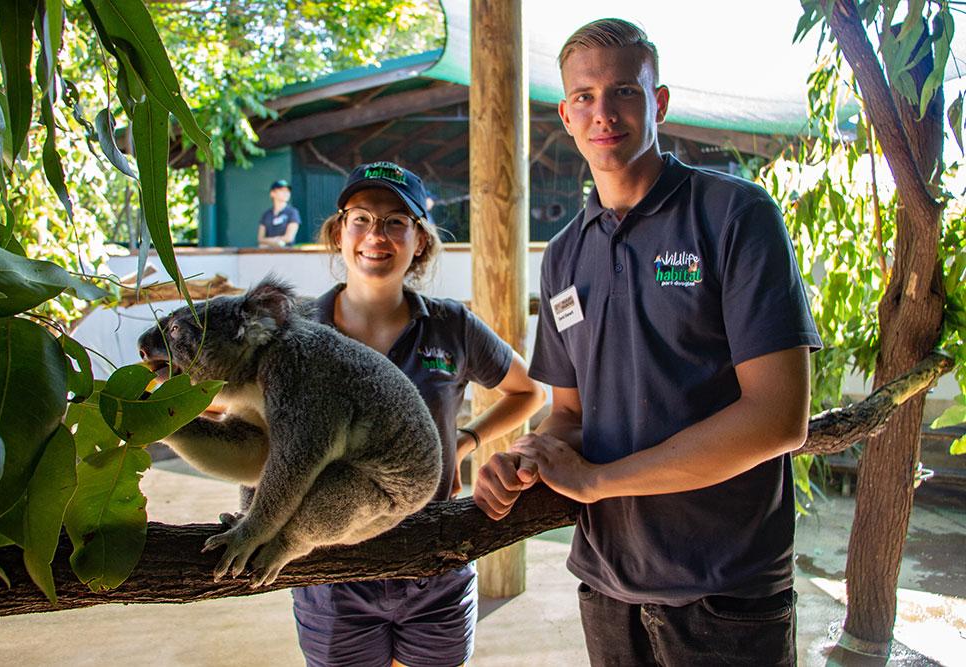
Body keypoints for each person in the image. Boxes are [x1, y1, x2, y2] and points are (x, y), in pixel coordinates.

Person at [472, 19, 822, 666]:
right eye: (584, 97)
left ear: (657, 102)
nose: (603, 112)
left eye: (623, 92)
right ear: (566, 115)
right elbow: (572, 413)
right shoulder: (566, 255)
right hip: (608, 584)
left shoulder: (734, 215)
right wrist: (530, 452)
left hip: (726, 587)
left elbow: (778, 417)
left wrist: (600, 480)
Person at [292, 160, 545, 667]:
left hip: (436, 560)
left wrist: (468, 440)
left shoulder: (450, 326)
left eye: (394, 222)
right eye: (360, 218)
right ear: (339, 233)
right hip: (332, 568)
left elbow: (528, 393)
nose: (375, 235)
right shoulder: (298, 330)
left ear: (420, 240)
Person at [257, 179, 301, 247]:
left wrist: (270, 241)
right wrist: (276, 241)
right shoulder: (266, 214)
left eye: (288, 191)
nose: (286, 193)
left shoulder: (293, 212)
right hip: (268, 254)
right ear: (272, 193)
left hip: (287, 253)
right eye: (282, 190)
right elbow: (260, 239)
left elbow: (289, 238)